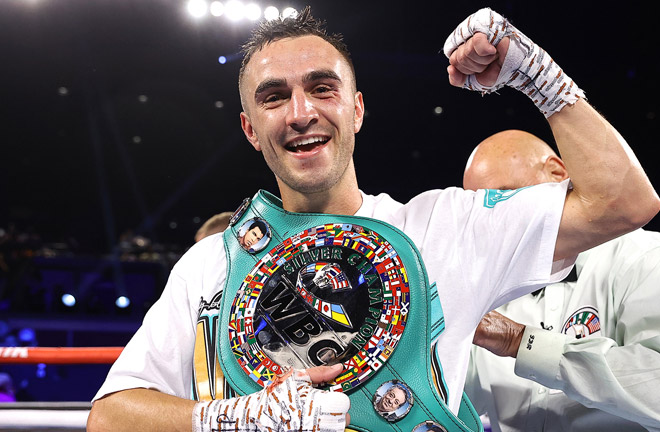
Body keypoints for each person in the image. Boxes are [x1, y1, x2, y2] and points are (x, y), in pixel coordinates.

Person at [87, 7, 660, 432]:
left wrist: (537, 74)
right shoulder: (210, 264)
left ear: (356, 109)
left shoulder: (443, 228)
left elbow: (625, 203)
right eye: (273, 97)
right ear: (249, 128)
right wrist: (233, 419)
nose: (301, 112)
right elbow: (110, 419)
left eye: (321, 88)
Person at [463, 129, 660, 432]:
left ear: (557, 173)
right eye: (478, 210)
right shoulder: (488, 288)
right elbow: (446, 399)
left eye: (500, 197)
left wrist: (518, 341)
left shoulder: (645, 257)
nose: (492, 222)